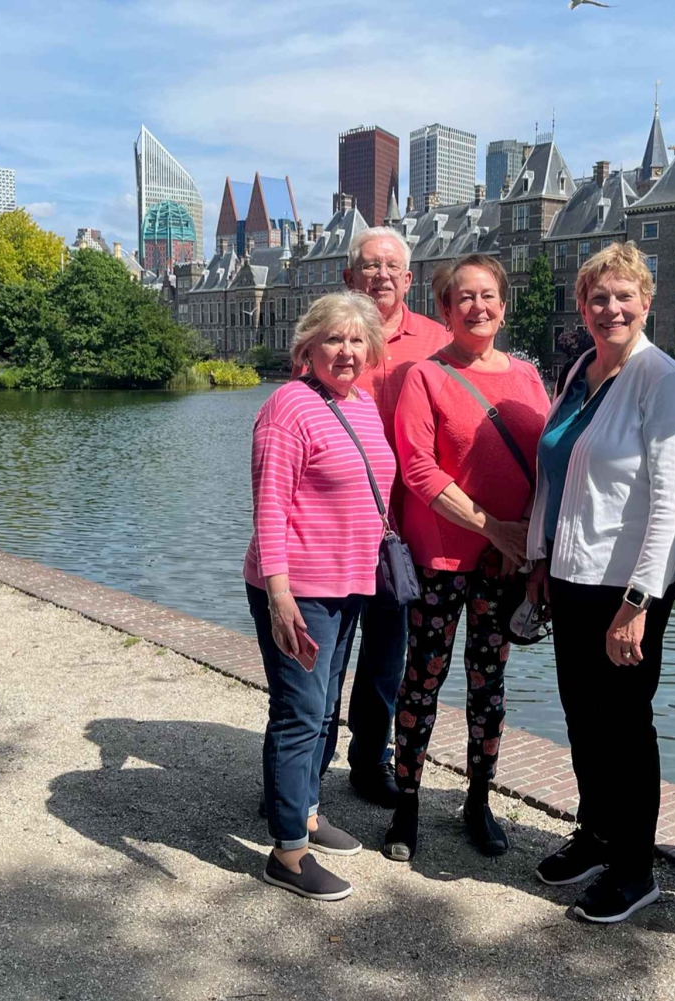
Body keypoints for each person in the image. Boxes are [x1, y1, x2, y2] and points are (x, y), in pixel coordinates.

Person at [523, 242, 675, 923]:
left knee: (625, 726)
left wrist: (639, 600)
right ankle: (596, 835)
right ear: (582, 306)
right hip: (570, 577)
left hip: (625, 588)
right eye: (598, 297)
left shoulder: (662, 380)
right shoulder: (579, 372)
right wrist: (539, 558)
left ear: (647, 303)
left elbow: (672, 503)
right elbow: (556, 471)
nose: (611, 308)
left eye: (624, 296)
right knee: (581, 716)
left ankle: (633, 867)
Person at [382, 253, 550, 861]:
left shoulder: (528, 377)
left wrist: (526, 542)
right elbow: (419, 470)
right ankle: (407, 803)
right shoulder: (425, 377)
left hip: (506, 564)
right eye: (464, 298)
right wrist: (494, 529)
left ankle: (479, 799)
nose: (477, 307)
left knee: (489, 682)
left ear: (503, 307)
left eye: (487, 296)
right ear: (446, 310)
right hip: (440, 558)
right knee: (422, 679)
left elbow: (547, 464)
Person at [242, 291, 396, 901]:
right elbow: (269, 507)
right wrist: (279, 596)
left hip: (348, 585)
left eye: (358, 340)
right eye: (334, 339)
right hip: (299, 589)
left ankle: (304, 811)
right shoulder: (287, 406)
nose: (347, 351)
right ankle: (287, 853)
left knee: (325, 705)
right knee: (300, 712)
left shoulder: (361, 405)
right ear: (308, 346)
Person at [321, 226, 451, 809]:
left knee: (386, 656)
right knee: (325, 654)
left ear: (409, 278)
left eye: (391, 266)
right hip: (336, 528)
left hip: (406, 530)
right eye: (369, 266)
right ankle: (307, 766)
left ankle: (370, 761)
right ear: (349, 276)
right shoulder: (330, 336)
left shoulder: (436, 340)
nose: (381, 276)